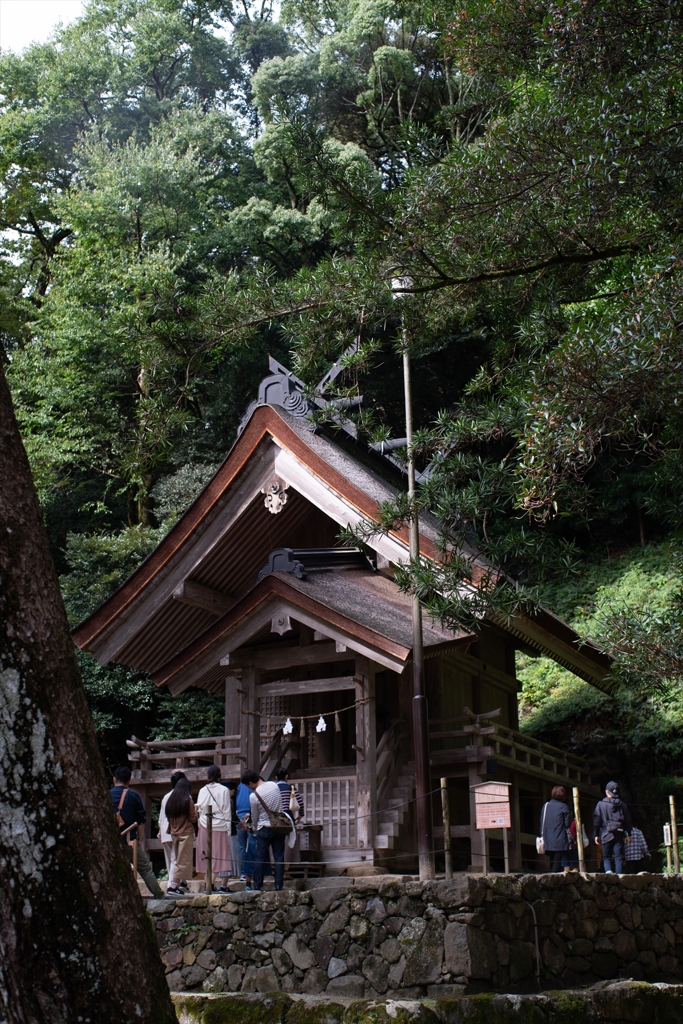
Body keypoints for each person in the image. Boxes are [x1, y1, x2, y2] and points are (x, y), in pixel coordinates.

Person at [110, 766, 165, 899]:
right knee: (144, 868)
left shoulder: (106, 795)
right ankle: (159, 895)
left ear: (114, 780)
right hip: (128, 840)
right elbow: (140, 821)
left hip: (109, 841)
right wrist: (140, 840)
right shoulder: (133, 796)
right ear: (129, 781)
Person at [244, 769, 287, 891]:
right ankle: (279, 885)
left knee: (260, 857)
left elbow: (255, 815)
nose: (249, 788)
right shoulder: (274, 785)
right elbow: (280, 805)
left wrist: (254, 827)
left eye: (248, 785)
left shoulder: (254, 796)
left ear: (250, 783)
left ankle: (258, 885)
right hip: (278, 826)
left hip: (264, 827)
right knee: (279, 856)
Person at [196, 765, 232, 893]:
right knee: (218, 855)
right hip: (220, 825)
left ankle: (208, 884)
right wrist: (229, 828)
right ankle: (210, 884)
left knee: (206, 855)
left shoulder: (202, 790)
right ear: (219, 775)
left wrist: (200, 823)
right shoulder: (224, 790)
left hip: (204, 824)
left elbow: (199, 808)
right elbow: (226, 810)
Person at [165, 776, 198, 895]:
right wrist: (196, 810)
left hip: (174, 833)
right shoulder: (187, 800)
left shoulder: (171, 800)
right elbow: (193, 818)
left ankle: (176, 885)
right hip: (185, 833)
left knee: (177, 859)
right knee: (183, 860)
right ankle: (173, 886)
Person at [593, 781, 633, 873]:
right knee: (618, 858)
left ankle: (609, 875)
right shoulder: (623, 805)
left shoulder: (601, 804)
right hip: (619, 833)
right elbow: (628, 821)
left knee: (606, 857)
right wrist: (629, 834)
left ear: (607, 792)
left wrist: (596, 834)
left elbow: (597, 821)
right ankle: (619, 878)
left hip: (606, 833)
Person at [158, 771, 186, 880]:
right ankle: (176, 884)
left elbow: (161, 817)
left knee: (170, 860)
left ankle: (172, 882)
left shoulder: (166, 797)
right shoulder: (185, 796)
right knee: (178, 859)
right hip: (177, 831)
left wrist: (160, 831)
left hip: (166, 831)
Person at [540, 786, 572, 872]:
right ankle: (553, 880)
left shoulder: (546, 806)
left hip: (547, 837)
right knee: (557, 861)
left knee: (553, 860)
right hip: (559, 837)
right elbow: (567, 824)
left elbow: (542, 822)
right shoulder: (564, 807)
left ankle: (552, 877)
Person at [236, 775, 256, 888]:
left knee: (242, 847)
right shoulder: (252, 786)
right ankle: (251, 872)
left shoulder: (239, 787)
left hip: (239, 816)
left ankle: (243, 873)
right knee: (252, 846)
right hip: (249, 816)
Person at [222, 779, 240, 879]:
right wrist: (240, 822)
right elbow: (232, 816)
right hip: (230, 831)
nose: (234, 794)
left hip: (219, 831)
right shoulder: (228, 801)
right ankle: (224, 885)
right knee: (230, 856)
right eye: (233, 791)